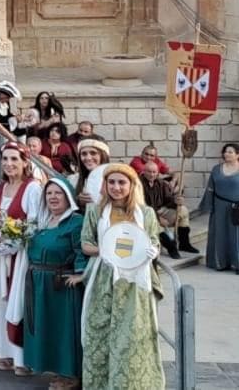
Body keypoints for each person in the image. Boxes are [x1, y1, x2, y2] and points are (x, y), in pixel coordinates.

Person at [80, 164, 165, 390]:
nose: (116, 187)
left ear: (131, 185)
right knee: (99, 335)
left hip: (135, 284)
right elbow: (86, 243)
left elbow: (154, 240)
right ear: (105, 185)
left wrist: (153, 250)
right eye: (112, 182)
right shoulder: (95, 211)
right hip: (104, 281)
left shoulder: (145, 213)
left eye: (122, 182)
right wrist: (104, 250)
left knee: (133, 338)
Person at [0, 143, 42, 373]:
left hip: (21, 255)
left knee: (18, 301)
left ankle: (22, 358)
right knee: (1, 302)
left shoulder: (32, 188)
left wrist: (15, 242)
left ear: (25, 162)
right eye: (5, 159)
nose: (9, 164)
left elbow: (35, 222)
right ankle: (4, 353)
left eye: (14, 159)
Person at [23, 177, 86, 390]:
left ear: (68, 197)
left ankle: (71, 375)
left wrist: (80, 274)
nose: (53, 197)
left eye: (58, 193)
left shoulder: (75, 222)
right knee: (46, 328)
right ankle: (57, 371)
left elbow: (81, 251)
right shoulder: (42, 222)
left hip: (61, 286)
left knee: (63, 331)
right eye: (49, 193)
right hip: (39, 284)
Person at [199, 142, 239, 273]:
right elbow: (210, 188)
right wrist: (208, 205)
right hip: (220, 206)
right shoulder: (216, 169)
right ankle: (220, 262)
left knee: (236, 235)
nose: (226, 154)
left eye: (230, 152)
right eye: (225, 151)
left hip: (237, 207)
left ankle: (237, 263)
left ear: (238, 154)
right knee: (220, 233)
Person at [71, 137, 111, 208]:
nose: (88, 158)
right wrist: (78, 202)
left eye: (93, 153)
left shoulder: (114, 179)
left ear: (103, 155)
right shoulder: (73, 180)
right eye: (84, 154)